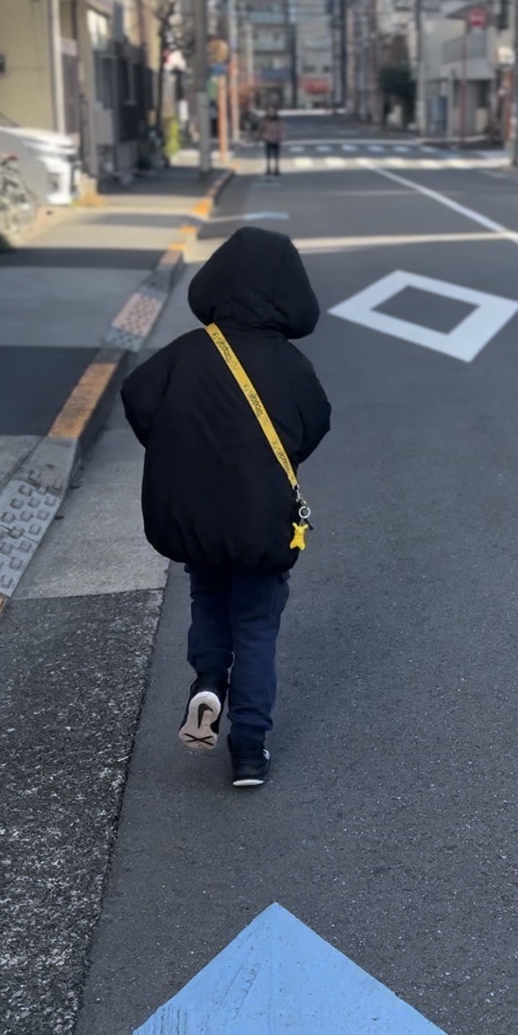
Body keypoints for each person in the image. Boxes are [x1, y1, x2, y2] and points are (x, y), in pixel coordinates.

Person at [121, 228, 331, 789]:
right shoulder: (290, 364)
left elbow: (137, 398)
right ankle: (248, 749)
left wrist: (184, 450)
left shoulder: (186, 352)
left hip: (195, 513)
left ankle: (208, 682)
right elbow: (315, 424)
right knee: (258, 626)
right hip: (262, 518)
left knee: (208, 596)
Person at [261, 104, 284, 179]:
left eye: (272, 111)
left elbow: (281, 129)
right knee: (268, 156)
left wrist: (281, 136)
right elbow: (262, 128)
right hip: (268, 139)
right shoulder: (265, 119)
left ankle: (276, 169)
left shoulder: (277, 120)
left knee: (276, 155)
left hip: (276, 139)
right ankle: (268, 169)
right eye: (269, 111)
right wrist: (263, 136)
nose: (271, 112)